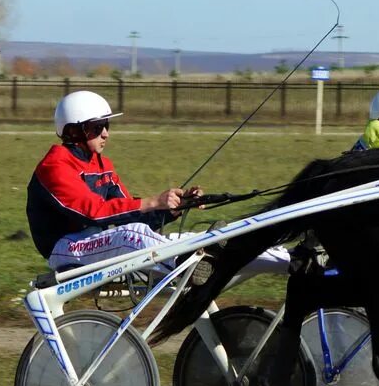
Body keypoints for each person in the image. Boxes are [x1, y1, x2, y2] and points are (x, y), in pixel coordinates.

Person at [26, 90, 290, 279]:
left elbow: (127, 213)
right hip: (66, 248)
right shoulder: (55, 166)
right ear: (74, 131)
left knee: (190, 239)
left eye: (106, 125)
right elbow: (92, 211)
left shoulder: (102, 164)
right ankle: (188, 266)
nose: (106, 132)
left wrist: (173, 207)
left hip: (102, 240)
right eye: (97, 127)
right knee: (135, 235)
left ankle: (288, 260)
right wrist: (153, 200)